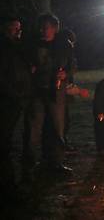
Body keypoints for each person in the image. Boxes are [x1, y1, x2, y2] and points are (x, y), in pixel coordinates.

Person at [23, 14, 73, 176]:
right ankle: (30, 162)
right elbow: (27, 64)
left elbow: (72, 64)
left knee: (57, 127)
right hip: (37, 91)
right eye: (42, 27)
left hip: (56, 91)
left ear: (55, 28)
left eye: (47, 27)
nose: (44, 30)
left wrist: (65, 73)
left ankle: (56, 162)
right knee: (34, 128)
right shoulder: (33, 45)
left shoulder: (63, 45)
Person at [0, 16, 32, 190]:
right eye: (14, 28)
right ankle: (7, 182)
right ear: (5, 29)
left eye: (19, 28)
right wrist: (14, 94)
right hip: (8, 99)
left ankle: (14, 177)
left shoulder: (17, 46)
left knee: (11, 139)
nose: (18, 31)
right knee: (5, 141)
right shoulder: (5, 48)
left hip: (18, 98)